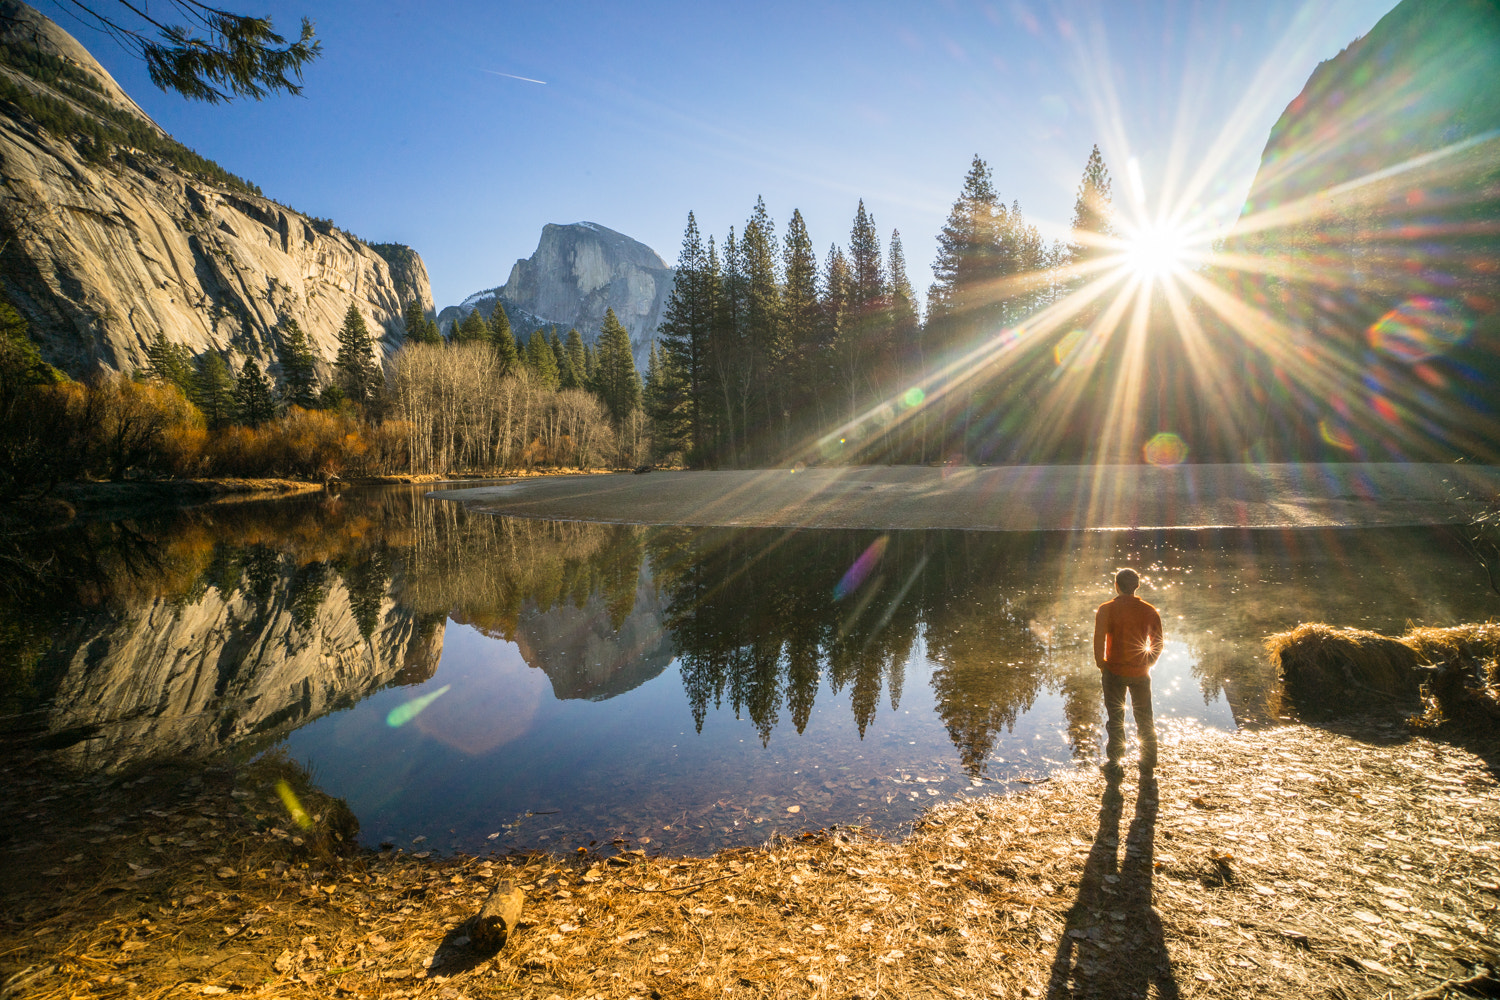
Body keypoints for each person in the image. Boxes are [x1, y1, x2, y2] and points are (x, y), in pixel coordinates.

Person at [1093, 567, 1163, 772]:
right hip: (1141, 673)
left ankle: (1115, 762)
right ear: (1137, 587)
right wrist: (1148, 662)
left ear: (1116, 586)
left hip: (1113, 671)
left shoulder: (1106, 609)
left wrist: (1101, 663)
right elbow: (1158, 642)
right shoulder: (1149, 610)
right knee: (1144, 717)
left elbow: (1099, 639)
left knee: (1115, 718)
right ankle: (1149, 761)